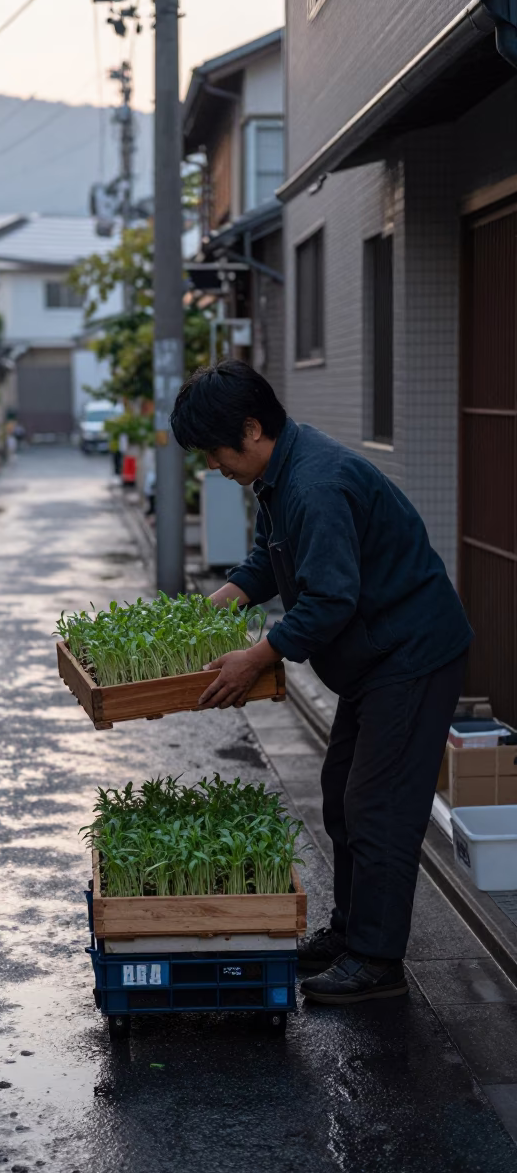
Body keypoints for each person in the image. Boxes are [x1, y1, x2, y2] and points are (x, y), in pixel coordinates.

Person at [170, 361, 472, 1006]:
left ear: (251, 430)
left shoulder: (315, 484)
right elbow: (269, 563)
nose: (214, 465)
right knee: (341, 793)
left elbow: (331, 600)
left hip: (412, 654)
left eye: (215, 450)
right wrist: (210, 610)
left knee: (378, 807)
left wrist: (255, 657)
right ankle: (351, 933)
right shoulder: (278, 477)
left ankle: (377, 963)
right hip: (376, 658)